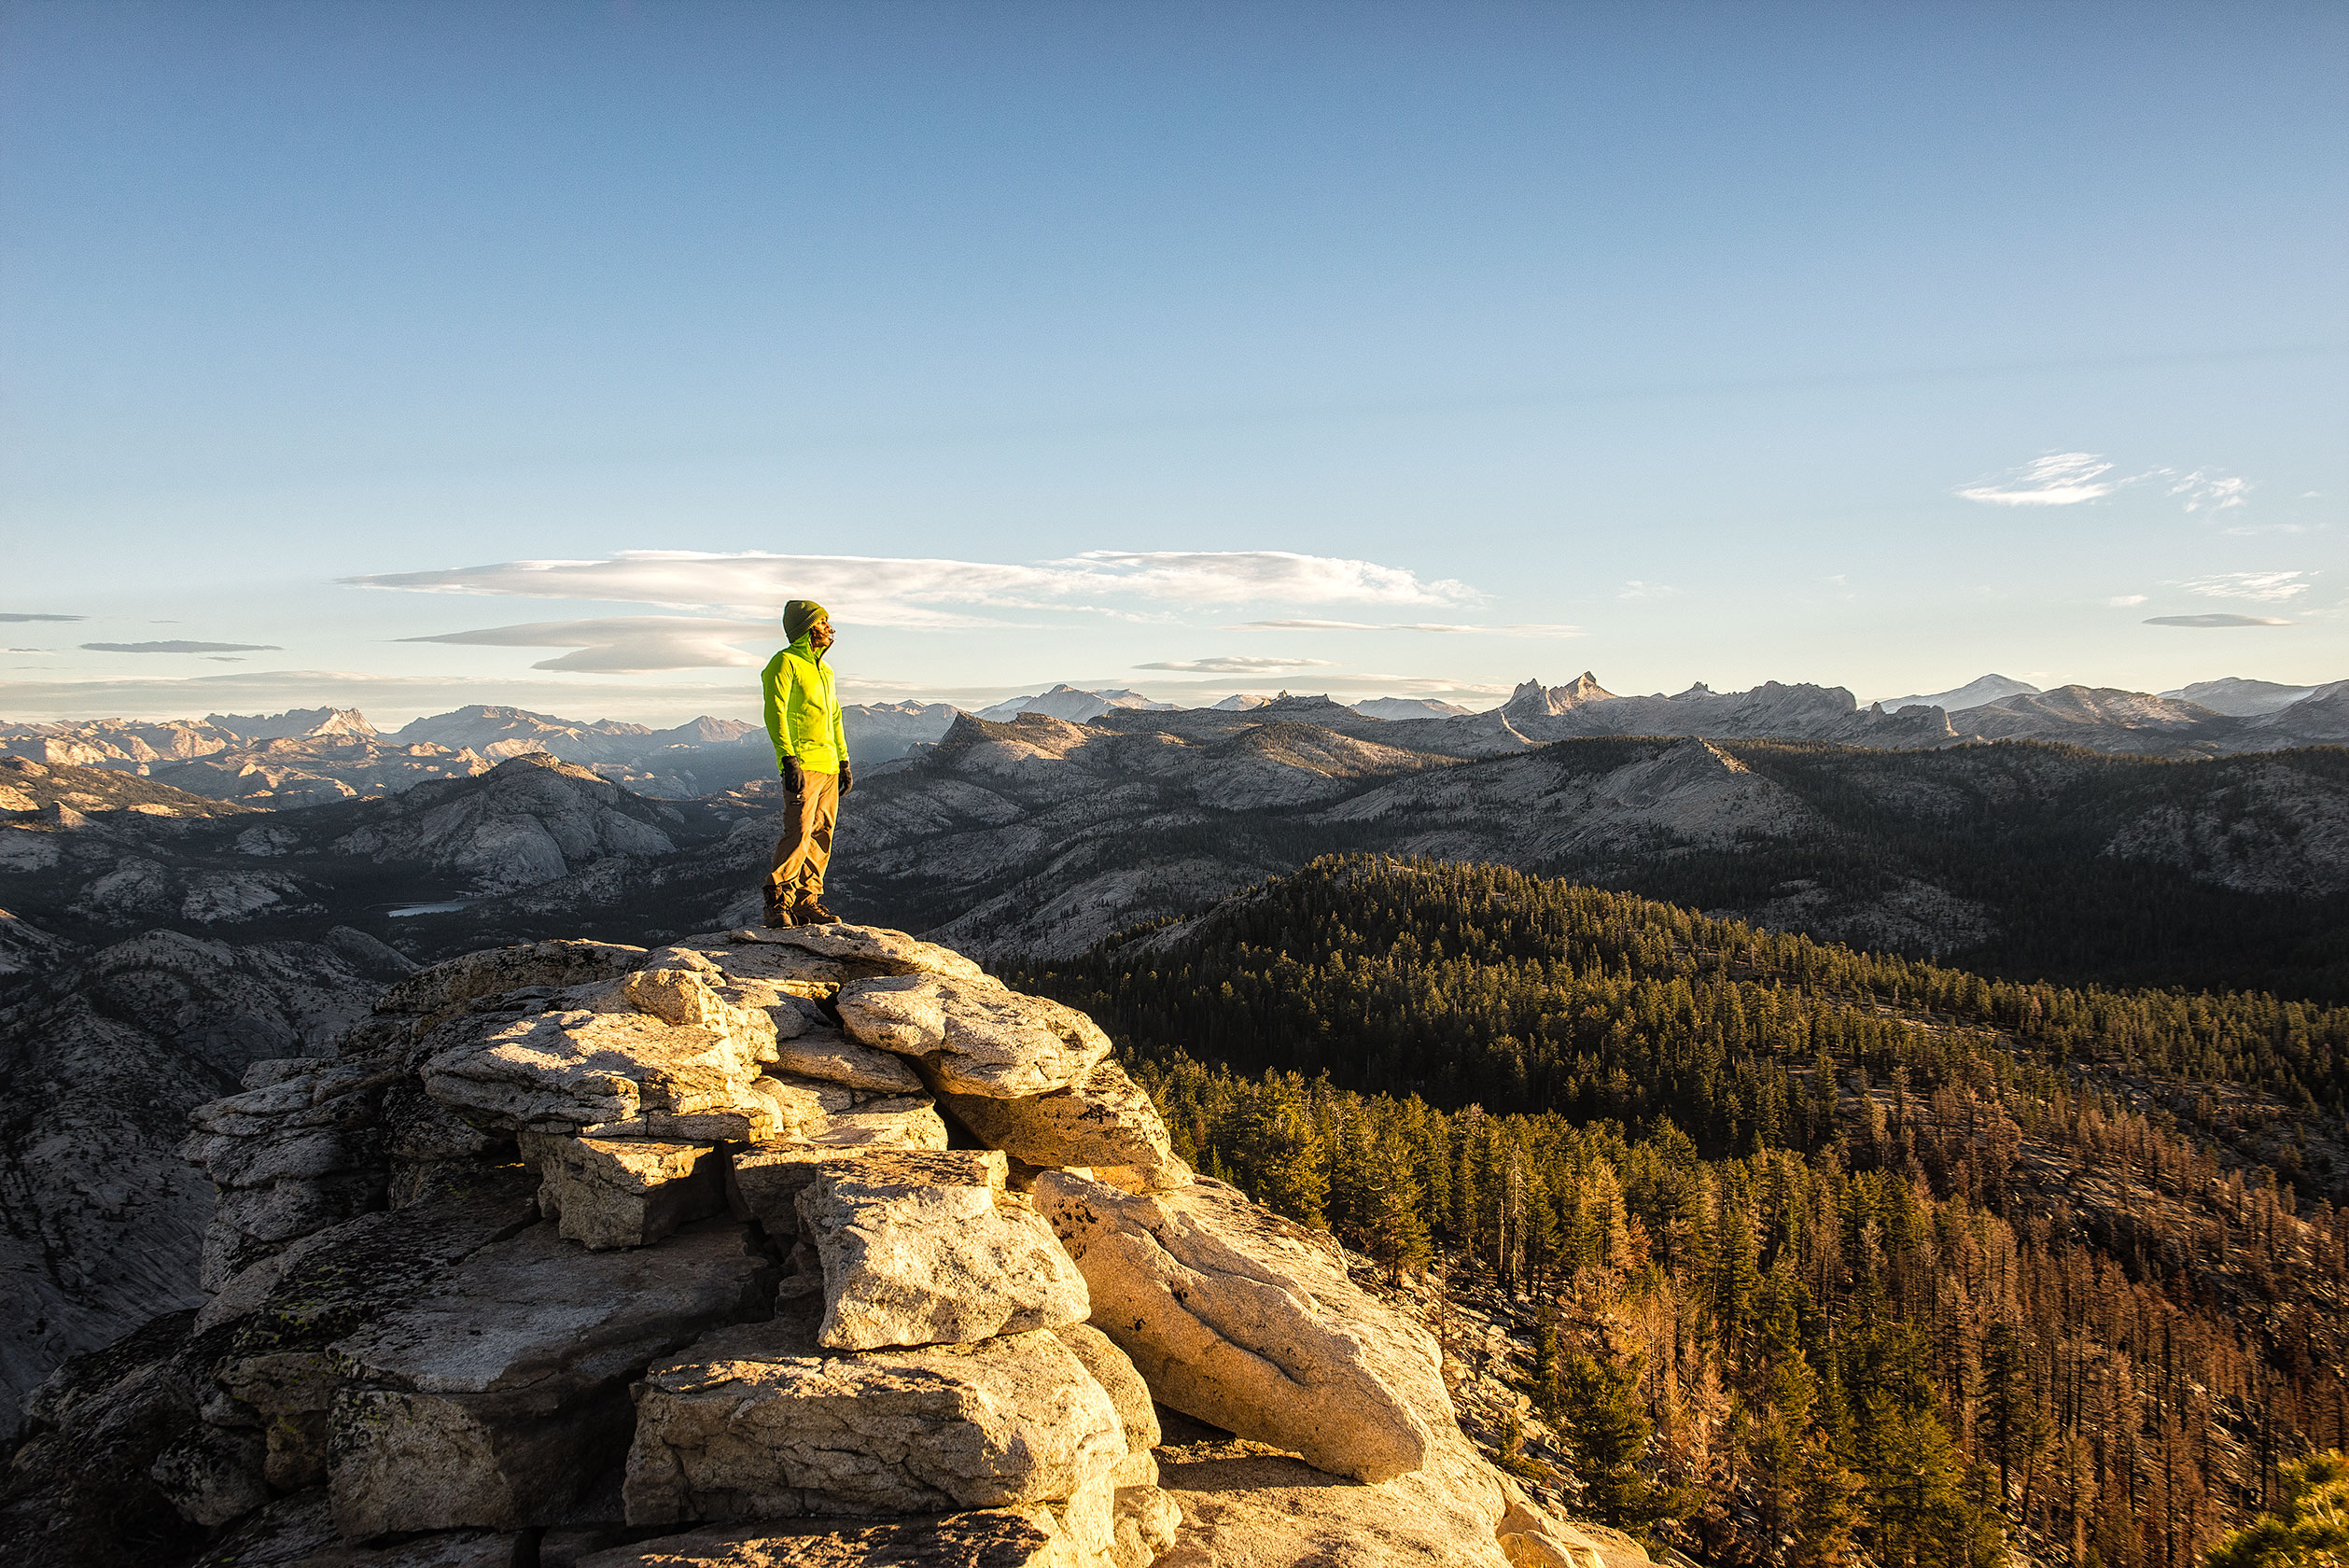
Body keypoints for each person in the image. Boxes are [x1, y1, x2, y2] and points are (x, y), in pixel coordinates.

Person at [760, 598, 851, 927]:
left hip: (828, 765)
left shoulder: (825, 671)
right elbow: (775, 712)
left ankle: (806, 900)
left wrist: (843, 760)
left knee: (822, 833)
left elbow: (835, 717)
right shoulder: (783, 664)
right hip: (804, 762)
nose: (830, 628)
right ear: (807, 628)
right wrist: (787, 758)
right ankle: (777, 902)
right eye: (823, 622)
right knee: (798, 831)